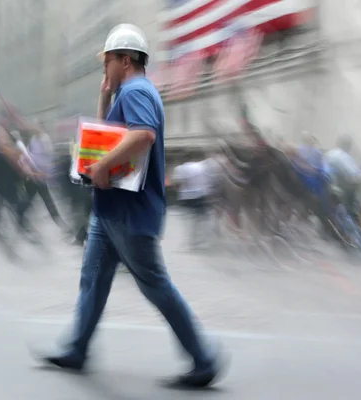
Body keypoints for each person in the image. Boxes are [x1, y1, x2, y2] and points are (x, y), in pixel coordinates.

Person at [40, 23, 226, 388]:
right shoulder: (127, 91)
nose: (103, 68)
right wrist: (105, 97)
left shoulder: (138, 90)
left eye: (107, 61)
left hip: (129, 214)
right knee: (92, 280)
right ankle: (78, 349)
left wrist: (104, 165)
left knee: (155, 285)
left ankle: (203, 361)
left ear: (125, 60)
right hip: (110, 212)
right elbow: (105, 135)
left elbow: (143, 135)